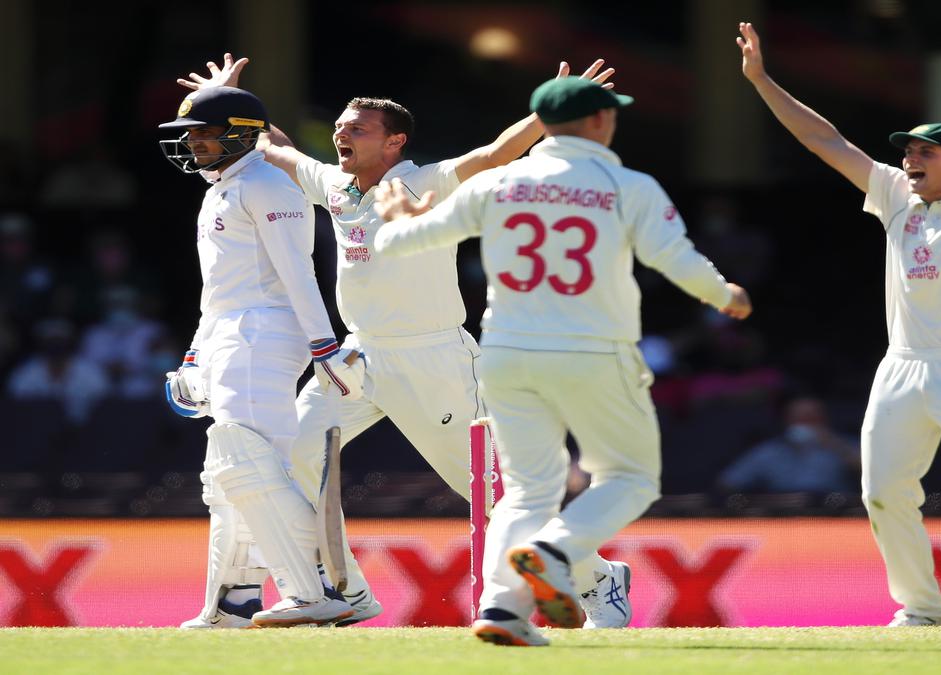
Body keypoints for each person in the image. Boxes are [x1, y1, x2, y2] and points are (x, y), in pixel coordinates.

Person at [178, 55, 632, 628]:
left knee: (491, 497)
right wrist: (229, 103)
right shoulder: (337, 186)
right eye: (340, 126)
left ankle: (597, 579)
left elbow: (494, 154)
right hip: (354, 358)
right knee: (286, 462)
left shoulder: (425, 181)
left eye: (357, 128)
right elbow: (280, 151)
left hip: (433, 357)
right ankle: (338, 592)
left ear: (394, 142)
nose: (341, 133)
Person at [373, 76, 753, 646]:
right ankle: (555, 553)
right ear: (600, 121)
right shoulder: (628, 184)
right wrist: (727, 296)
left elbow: (400, 245)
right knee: (630, 478)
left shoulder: (498, 184)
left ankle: (503, 607)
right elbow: (674, 258)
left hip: (506, 355)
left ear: (542, 124)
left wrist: (400, 217)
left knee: (527, 490)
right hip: (593, 351)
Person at [737, 20, 941, 626]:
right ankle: (921, 607)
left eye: (924, 152)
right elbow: (824, 141)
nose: (909, 160)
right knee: (881, 492)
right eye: (907, 151)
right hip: (902, 366)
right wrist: (761, 80)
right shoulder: (896, 196)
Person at [158, 85, 364, 628]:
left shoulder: (271, 183)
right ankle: (232, 604)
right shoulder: (224, 186)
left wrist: (325, 346)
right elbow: (219, 291)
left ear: (242, 133)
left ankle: (320, 589)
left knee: (245, 465)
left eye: (205, 132)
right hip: (233, 335)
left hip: (265, 335)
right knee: (230, 476)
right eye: (191, 133)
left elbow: (299, 270)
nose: (194, 143)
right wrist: (195, 356)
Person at [717, 396, 858, 494]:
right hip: (783, 515)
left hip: (835, 513)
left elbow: (872, 474)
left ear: (824, 420)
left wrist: (834, 444)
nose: (804, 424)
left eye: (810, 419)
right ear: (786, 421)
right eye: (798, 419)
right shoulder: (768, 451)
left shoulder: (844, 445)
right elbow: (728, 483)